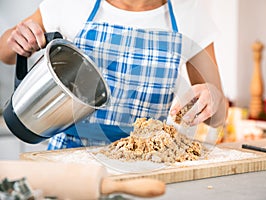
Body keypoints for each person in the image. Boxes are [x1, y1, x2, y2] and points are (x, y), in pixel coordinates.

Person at [0, 0, 227, 150]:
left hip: (145, 161)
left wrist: (212, 96)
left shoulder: (190, 13)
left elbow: (217, 118)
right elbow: (5, 53)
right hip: (68, 159)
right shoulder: (71, 4)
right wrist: (18, 40)